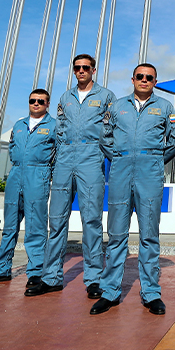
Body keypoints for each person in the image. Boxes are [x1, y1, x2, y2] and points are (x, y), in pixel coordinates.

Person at [89, 63, 175, 315]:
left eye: (149, 77)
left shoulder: (165, 107)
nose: (144, 80)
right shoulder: (117, 106)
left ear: (155, 81)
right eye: (140, 76)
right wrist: (119, 158)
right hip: (120, 172)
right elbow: (104, 138)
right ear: (132, 79)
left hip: (149, 174)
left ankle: (151, 293)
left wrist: (153, 160)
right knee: (117, 235)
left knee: (149, 235)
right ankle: (109, 292)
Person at [26, 54, 117, 298]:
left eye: (85, 67)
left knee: (91, 221)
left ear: (93, 70)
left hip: (91, 155)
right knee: (56, 220)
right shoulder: (65, 97)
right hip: (65, 158)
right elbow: (61, 129)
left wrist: (105, 154)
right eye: (77, 67)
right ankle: (51, 277)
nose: (81, 71)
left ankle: (94, 279)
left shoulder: (106, 96)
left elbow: (112, 129)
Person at [0, 89, 56, 288]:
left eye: (40, 101)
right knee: (9, 226)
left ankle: (37, 272)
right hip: (16, 175)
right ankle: (0, 270)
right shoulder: (19, 125)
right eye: (32, 100)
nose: (35, 104)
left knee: (35, 227)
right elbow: (13, 149)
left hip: (38, 175)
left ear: (47, 104)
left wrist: (46, 174)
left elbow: (58, 155)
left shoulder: (54, 126)